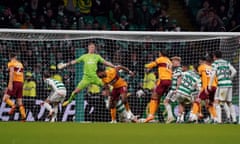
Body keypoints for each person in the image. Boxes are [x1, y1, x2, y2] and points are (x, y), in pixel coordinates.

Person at [58, 42, 116, 106]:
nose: (93, 49)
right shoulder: (84, 56)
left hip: (95, 77)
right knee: (75, 92)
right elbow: (74, 61)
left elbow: (105, 62)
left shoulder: (97, 56)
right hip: (86, 79)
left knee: (109, 87)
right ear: (88, 48)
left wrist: (114, 66)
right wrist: (65, 65)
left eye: (94, 47)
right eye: (91, 47)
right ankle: (69, 101)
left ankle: (109, 99)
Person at [144, 49, 172, 123]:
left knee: (153, 96)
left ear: (161, 53)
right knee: (158, 98)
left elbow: (152, 64)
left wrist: (145, 65)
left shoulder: (160, 59)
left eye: (159, 53)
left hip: (163, 80)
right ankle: (154, 115)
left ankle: (151, 115)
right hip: (169, 81)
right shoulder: (169, 61)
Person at [209, 50, 237, 123]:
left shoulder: (215, 63)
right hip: (229, 84)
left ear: (215, 56)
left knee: (217, 101)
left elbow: (212, 75)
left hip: (222, 85)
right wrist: (229, 78)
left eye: (213, 56)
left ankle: (219, 120)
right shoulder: (226, 62)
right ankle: (234, 119)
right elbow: (234, 71)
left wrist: (210, 85)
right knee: (229, 102)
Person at [189, 56, 218, 123]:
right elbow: (215, 79)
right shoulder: (212, 68)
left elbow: (204, 78)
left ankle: (193, 116)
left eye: (200, 61)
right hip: (214, 87)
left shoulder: (201, 67)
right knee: (210, 103)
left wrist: (205, 88)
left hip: (207, 87)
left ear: (204, 61)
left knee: (197, 100)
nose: (200, 63)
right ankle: (215, 118)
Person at [2, 53, 26, 121]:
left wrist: (10, 84)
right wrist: (22, 84)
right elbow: (22, 74)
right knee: (19, 102)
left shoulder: (11, 63)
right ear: (15, 57)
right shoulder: (20, 64)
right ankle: (24, 117)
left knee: (5, 98)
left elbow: (11, 73)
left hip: (14, 82)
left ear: (10, 57)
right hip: (21, 83)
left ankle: (13, 105)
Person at [164, 56, 182, 124]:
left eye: (173, 61)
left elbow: (179, 79)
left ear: (177, 61)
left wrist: (177, 89)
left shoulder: (179, 69)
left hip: (175, 90)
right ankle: (173, 118)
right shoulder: (175, 70)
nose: (172, 62)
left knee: (166, 102)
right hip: (173, 89)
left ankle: (172, 117)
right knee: (168, 102)